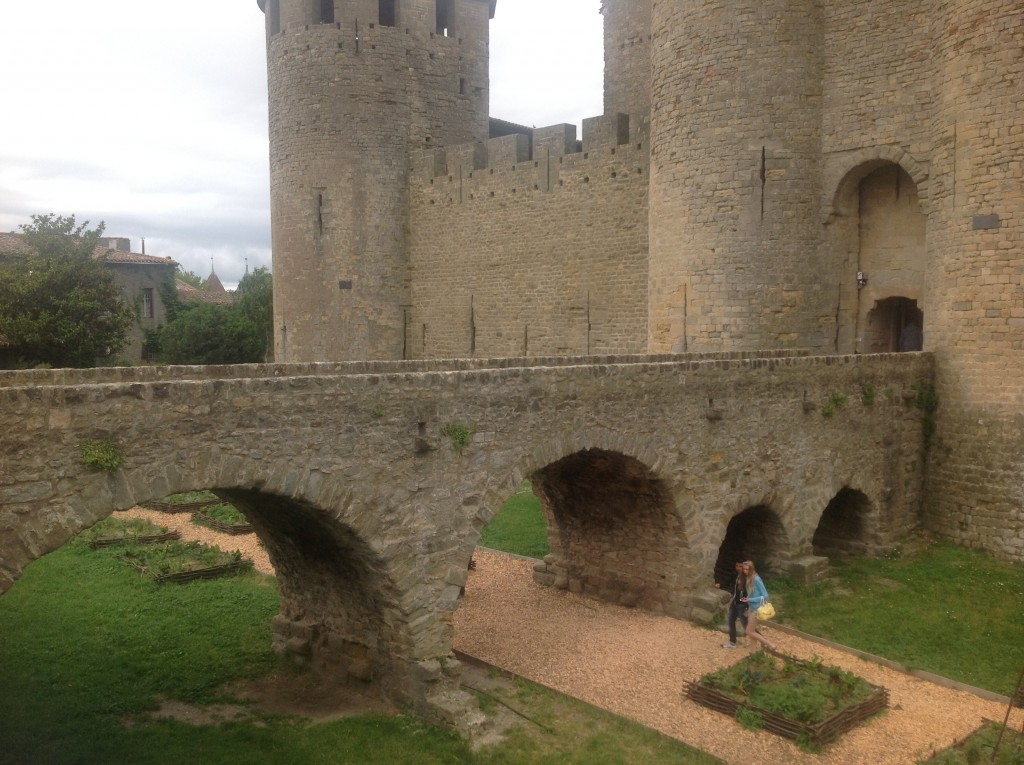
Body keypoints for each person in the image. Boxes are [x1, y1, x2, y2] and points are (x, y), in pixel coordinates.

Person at [739, 560, 778, 652]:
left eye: (747, 569)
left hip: (757, 608)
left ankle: (770, 644)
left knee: (749, 631)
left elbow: (765, 596)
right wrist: (747, 601)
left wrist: (750, 600)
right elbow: (752, 593)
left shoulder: (756, 579)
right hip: (751, 608)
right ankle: (753, 653)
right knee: (752, 632)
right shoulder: (748, 578)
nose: (745, 571)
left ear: (752, 569)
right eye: (744, 569)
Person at [714, 561, 745, 648]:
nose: (738, 568)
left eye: (740, 566)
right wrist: (720, 584)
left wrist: (747, 605)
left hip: (742, 604)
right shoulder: (736, 574)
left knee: (747, 626)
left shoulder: (747, 578)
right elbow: (728, 580)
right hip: (735, 602)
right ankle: (732, 642)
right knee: (731, 621)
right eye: (737, 565)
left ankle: (764, 641)